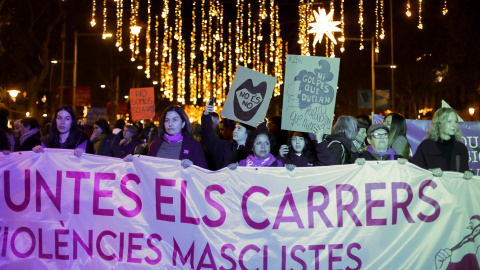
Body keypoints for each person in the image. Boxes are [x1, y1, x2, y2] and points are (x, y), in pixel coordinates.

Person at [126, 105, 207, 169]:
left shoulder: (193, 145)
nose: (170, 124)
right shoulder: (156, 144)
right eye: (167, 120)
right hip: (158, 189)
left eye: (175, 120)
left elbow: (203, 175)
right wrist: (133, 161)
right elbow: (147, 168)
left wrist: (193, 168)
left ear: (183, 124)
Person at [412, 107, 473, 180]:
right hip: (432, 190)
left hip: (454, 190)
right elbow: (414, 171)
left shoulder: (461, 148)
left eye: (455, 121)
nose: (454, 125)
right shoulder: (426, 146)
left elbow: (464, 172)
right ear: (439, 124)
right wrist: (430, 172)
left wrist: (469, 173)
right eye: (449, 121)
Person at [202, 103, 253, 169]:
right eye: (235, 128)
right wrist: (206, 115)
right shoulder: (225, 146)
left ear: (248, 132)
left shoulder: (254, 152)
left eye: (239, 128)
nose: (234, 131)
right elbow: (208, 137)